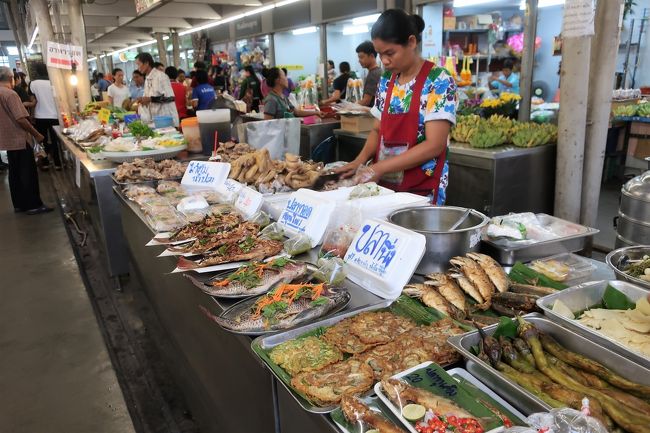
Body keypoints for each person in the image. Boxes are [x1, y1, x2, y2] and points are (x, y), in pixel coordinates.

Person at [334, 9, 457, 205]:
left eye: (390, 53)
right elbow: (377, 129)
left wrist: (378, 168)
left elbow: (435, 145)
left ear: (411, 42)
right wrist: (359, 162)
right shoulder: (386, 80)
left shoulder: (438, 80)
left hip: (420, 189)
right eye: (380, 54)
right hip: (383, 186)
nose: (384, 61)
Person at [0, 67, 52, 214]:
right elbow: (20, 119)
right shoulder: (10, 94)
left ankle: (19, 204)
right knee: (27, 173)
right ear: (11, 78)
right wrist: (36, 134)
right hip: (19, 139)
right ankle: (33, 205)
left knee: (15, 173)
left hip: (7, 141)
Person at [30, 63, 62, 170]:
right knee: (55, 140)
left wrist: (32, 115)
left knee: (42, 140)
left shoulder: (33, 84)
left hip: (40, 116)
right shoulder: (53, 83)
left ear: (37, 71)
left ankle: (45, 163)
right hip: (54, 115)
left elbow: (33, 101)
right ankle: (58, 163)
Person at [135, 52, 179, 127]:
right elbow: (148, 98)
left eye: (139, 64)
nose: (138, 68)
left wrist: (150, 99)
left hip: (167, 119)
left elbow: (170, 98)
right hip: (156, 120)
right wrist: (142, 100)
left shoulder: (161, 76)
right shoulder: (147, 79)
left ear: (146, 63)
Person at [356, 41, 382, 107]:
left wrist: (350, 105)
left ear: (372, 56)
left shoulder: (373, 74)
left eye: (361, 57)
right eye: (358, 58)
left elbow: (366, 101)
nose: (359, 61)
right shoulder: (379, 71)